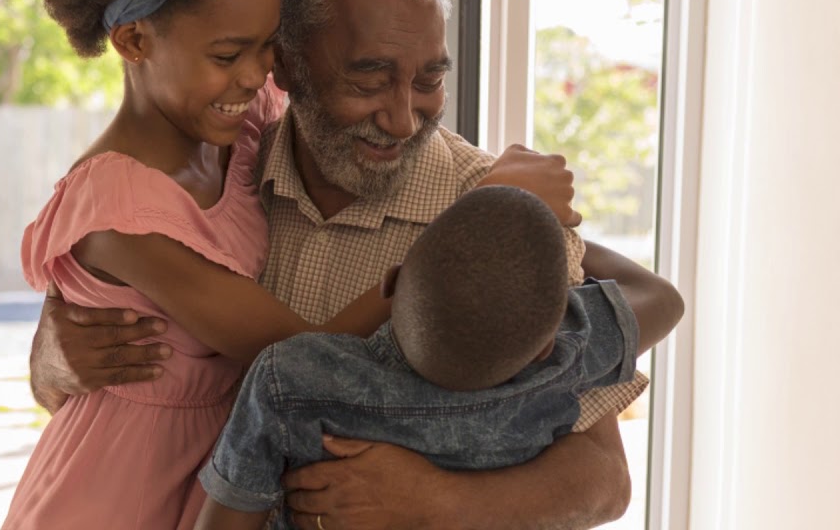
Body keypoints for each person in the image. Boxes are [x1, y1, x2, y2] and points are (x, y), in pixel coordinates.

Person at [29, 0, 665, 529]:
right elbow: (137, 349)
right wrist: (50, 362)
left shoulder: (496, 223)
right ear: (289, 65)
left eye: (428, 80)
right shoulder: (231, 170)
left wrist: (434, 502)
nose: (401, 117)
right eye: (367, 81)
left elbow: (603, 481)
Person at [1, 0, 394, 530]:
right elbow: (294, 354)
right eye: (227, 53)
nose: (257, 73)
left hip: (217, 475)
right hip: (113, 496)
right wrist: (437, 261)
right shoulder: (120, 208)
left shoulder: (240, 127)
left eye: (268, 44)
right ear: (135, 40)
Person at [193, 187, 684, 530]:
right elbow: (664, 299)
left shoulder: (291, 377)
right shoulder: (566, 357)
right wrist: (556, 247)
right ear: (544, 344)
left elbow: (227, 516)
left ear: (391, 283)